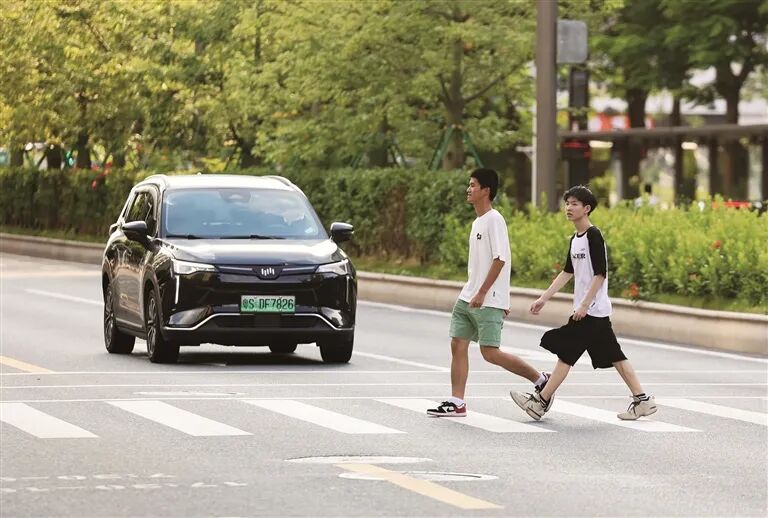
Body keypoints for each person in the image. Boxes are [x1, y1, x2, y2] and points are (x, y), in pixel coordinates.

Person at [510, 185, 656, 421]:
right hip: (592, 312)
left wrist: (585, 305)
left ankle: (540, 402)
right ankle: (643, 400)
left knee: (566, 355)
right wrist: (543, 298)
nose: (569, 208)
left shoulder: (593, 235)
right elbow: (567, 272)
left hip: (591, 311)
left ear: (586, 209)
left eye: (574, 204)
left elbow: (600, 274)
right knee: (616, 356)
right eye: (567, 203)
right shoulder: (575, 239)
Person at [427, 168, 549, 417]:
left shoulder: (495, 220)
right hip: (468, 296)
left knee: (490, 353)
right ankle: (456, 402)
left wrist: (486, 293)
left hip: (487, 299)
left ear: (486, 190)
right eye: (469, 184)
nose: (468, 189)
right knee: (457, 343)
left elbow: (500, 259)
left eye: (473, 185)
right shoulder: (477, 222)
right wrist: (475, 291)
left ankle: (541, 380)